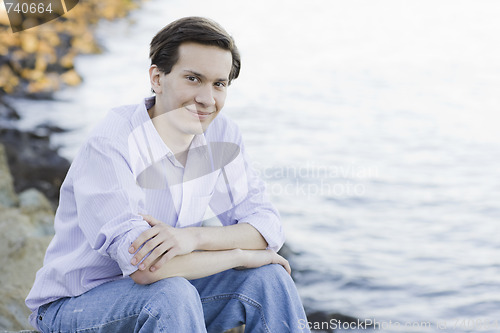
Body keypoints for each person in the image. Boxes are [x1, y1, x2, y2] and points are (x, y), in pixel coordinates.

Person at [26, 16, 310, 332]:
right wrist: (241, 254)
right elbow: (145, 269)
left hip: (166, 292)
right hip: (75, 307)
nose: (207, 99)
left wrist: (192, 237)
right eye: (193, 79)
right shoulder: (112, 143)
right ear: (157, 78)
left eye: (219, 84)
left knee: (268, 279)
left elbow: (266, 226)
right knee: (170, 293)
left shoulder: (221, 136)